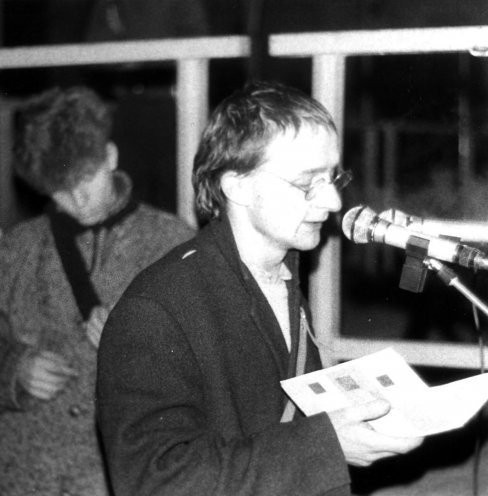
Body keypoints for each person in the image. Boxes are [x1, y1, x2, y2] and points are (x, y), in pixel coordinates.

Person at [96, 80, 423, 496]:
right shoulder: (154, 312)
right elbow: (157, 480)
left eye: (333, 177)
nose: (333, 203)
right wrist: (326, 444)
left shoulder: (282, 275)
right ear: (237, 186)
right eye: (307, 183)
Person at [0, 86, 195, 496]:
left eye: (85, 177)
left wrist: (133, 351)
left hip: (122, 476)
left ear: (109, 156)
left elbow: (209, 369)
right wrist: (13, 370)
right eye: (59, 188)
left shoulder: (173, 243)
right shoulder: (17, 248)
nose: (77, 198)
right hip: (25, 473)